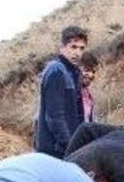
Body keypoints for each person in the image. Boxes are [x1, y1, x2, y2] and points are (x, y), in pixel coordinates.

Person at [34, 25, 87, 158]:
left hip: (66, 148)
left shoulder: (73, 72)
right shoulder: (57, 70)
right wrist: (70, 146)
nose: (77, 53)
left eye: (81, 48)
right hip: (54, 151)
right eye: (73, 47)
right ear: (62, 48)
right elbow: (54, 116)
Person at [79, 51, 99, 122]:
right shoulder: (70, 93)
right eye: (87, 70)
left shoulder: (89, 96)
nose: (91, 75)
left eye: (93, 72)